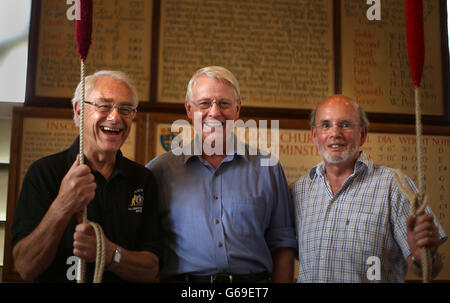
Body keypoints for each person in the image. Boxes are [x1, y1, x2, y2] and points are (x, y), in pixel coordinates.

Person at [146, 66, 297, 283]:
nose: (214, 112)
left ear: (237, 109)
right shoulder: (159, 171)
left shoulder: (268, 168)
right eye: (204, 103)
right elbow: (147, 247)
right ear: (189, 110)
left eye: (224, 103)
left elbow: (282, 243)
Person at [11, 70, 162, 282]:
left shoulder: (143, 179)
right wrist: (62, 205)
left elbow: (151, 270)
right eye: (104, 106)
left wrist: (109, 253)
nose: (115, 117)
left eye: (125, 109)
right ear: (80, 111)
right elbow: (25, 267)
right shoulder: (44, 172)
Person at [293, 94, 447, 282]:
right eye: (325, 125)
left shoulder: (394, 185)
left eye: (345, 125)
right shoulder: (299, 190)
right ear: (314, 135)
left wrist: (422, 254)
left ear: (363, 134)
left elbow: (429, 270)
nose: (335, 133)